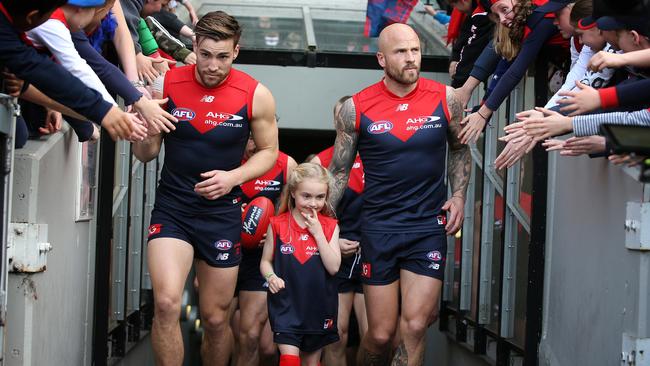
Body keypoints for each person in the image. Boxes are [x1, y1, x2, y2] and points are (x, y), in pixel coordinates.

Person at [132, 11, 278, 366]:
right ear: (195, 46)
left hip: (222, 213)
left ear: (236, 52)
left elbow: (269, 153)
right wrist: (148, 127)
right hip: (174, 210)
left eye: (223, 56)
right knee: (166, 303)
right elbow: (146, 154)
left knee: (215, 319)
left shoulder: (256, 94)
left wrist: (233, 177)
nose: (213, 65)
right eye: (207, 54)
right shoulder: (167, 83)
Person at [327, 23, 470, 365]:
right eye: (401, 52)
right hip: (378, 229)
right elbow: (339, 171)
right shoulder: (356, 108)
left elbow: (460, 150)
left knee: (417, 325)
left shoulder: (446, 98)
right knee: (379, 336)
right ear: (381, 59)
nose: (410, 59)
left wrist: (460, 195)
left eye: (415, 50)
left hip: (426, 227)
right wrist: (325, 225)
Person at [0, 0, 143, 141]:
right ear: (32, 17)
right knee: (17, 136)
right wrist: (107, 110)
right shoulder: (51, 24)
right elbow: (48, 69)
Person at [259, 162, 342, 366]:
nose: (313, 203)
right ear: (293, 192)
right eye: (307, 196)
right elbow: (265, 262)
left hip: (318, 307)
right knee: (288, 360)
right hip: (286, 305)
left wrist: (318, 233)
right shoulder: (277, 224)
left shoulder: (330, 226)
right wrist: (271, 277)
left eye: (320, 197)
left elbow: (333, 267)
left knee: (312, 363)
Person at [454, 0, 569, 144]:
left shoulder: (541, 16)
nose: (502, 19)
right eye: (497, 15)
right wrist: (481, 103)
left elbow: (515, 71)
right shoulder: (519, 18)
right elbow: (504, 60)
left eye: (504, 10)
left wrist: (483, 113)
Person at [311, 97, 368, 366]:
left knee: (376, 335)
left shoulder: (377, 158)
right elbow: (307, 215)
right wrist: (332, 242)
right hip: (337, 256)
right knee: (337, 333)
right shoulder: (321, 163)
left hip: (373, 254)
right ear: (337, 122)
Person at [236, 135, 296, 366]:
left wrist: (274, 233)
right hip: (225, 250)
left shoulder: (286, 165)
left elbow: (296, 210)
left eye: (257, 135)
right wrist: (232, 213)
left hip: (260, 258)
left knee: (252, 336)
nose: (252, 141)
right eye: (248, 136)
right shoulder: (228, 158)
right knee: (216, 323)